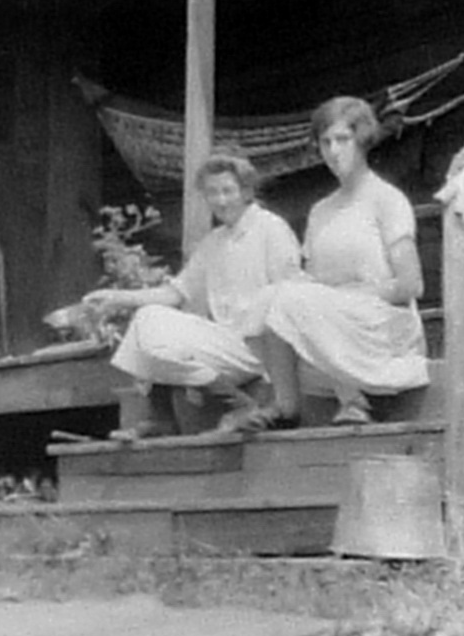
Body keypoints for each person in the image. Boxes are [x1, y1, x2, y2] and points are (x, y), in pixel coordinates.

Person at [84, 150, 302, 437]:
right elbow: (175, 293)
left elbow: (288, 296)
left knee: (154, 327)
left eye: (228, 191)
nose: (221, 200)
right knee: (148, 318)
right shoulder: (215, 241)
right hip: (226, 343)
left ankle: (238, 405)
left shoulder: (271, 229)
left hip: (261, 348)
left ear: (246, 192)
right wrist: (116, 297)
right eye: (212, 193)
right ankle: (161, 418)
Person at [253, 97, 428, 425]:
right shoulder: (320, 211)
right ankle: (285, 407)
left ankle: (353, 402)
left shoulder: (387, 200)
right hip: (336, 321)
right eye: (326, 142)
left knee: (296, 299)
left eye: (343, 140)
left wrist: (349, 295)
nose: (334, 151)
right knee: (272, 296)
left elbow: (411, 285)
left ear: (362, 141)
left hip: (385, 325)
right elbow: (313, 283)